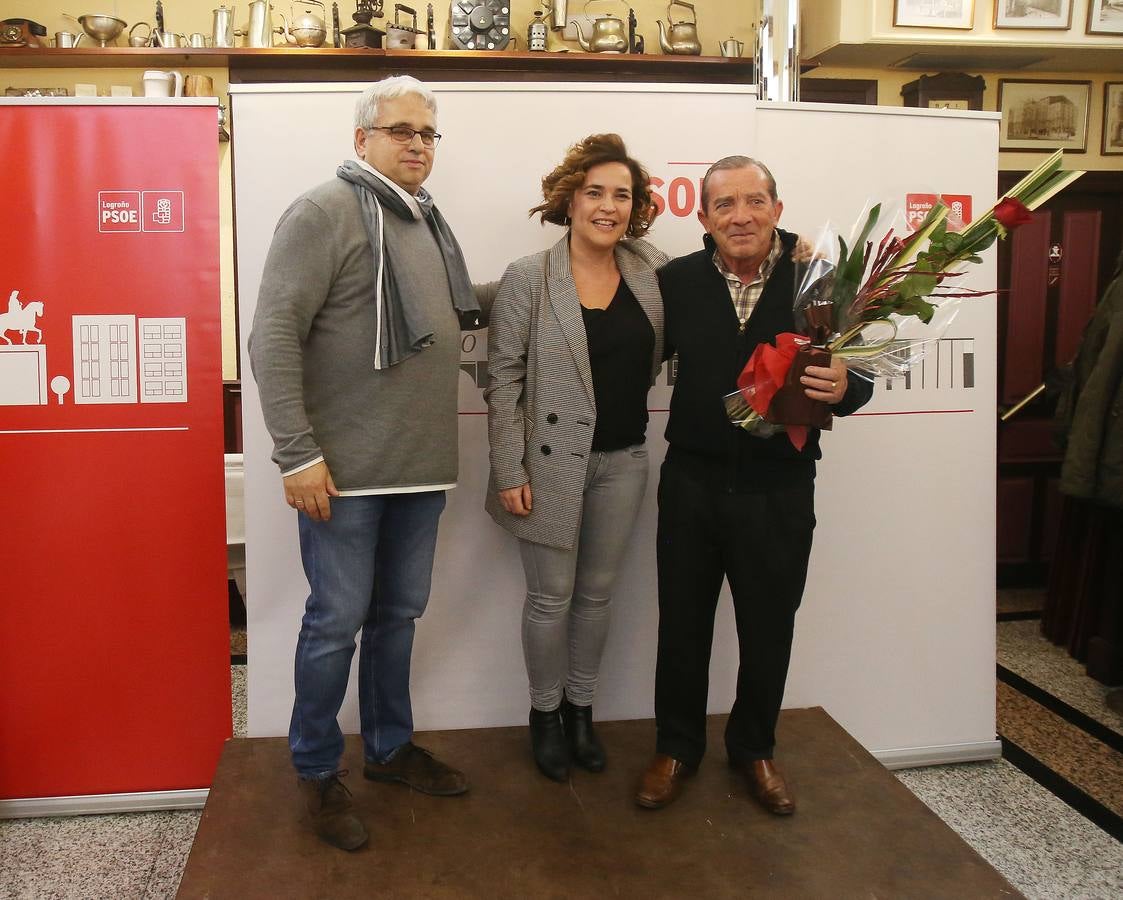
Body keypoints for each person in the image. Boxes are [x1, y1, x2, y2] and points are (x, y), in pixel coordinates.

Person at [249, 75, 488, 851]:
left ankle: (386, 749)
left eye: (427, 133)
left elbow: (446, 320)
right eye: (400, 131)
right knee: (334, 627)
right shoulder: (324, 211)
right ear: (362, 141)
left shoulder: (426, 224)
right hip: (341, 475)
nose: (417, 144)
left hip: (420, 469)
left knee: (396, 617)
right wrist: (296, 453)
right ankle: (318, 771)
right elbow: (273, 336)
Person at [633, 156, 873, 815]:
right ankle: (676, 747)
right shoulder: (674, 280)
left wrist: (847, 385)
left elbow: (860, 372)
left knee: (769, 628)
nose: (739, 216)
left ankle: (753, 750)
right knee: (681, 626)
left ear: (775, 206)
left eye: (753, 201)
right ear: (702, 215)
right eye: (724, 205)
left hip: (780, 489)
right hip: (690, 484)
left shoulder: (818, 280)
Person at [485, 134, 668, 782]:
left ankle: (581, 711)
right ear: (570, 199)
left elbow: (717, 287)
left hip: (623, 461)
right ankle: (543, 715)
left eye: (622, 195)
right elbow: (503, 376)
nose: (608, 206)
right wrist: (509, 469)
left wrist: (796, 252)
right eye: (595, 192)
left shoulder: (650, 272)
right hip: (546, 462)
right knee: (550, 598)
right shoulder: (529, 277)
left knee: (595, 596)